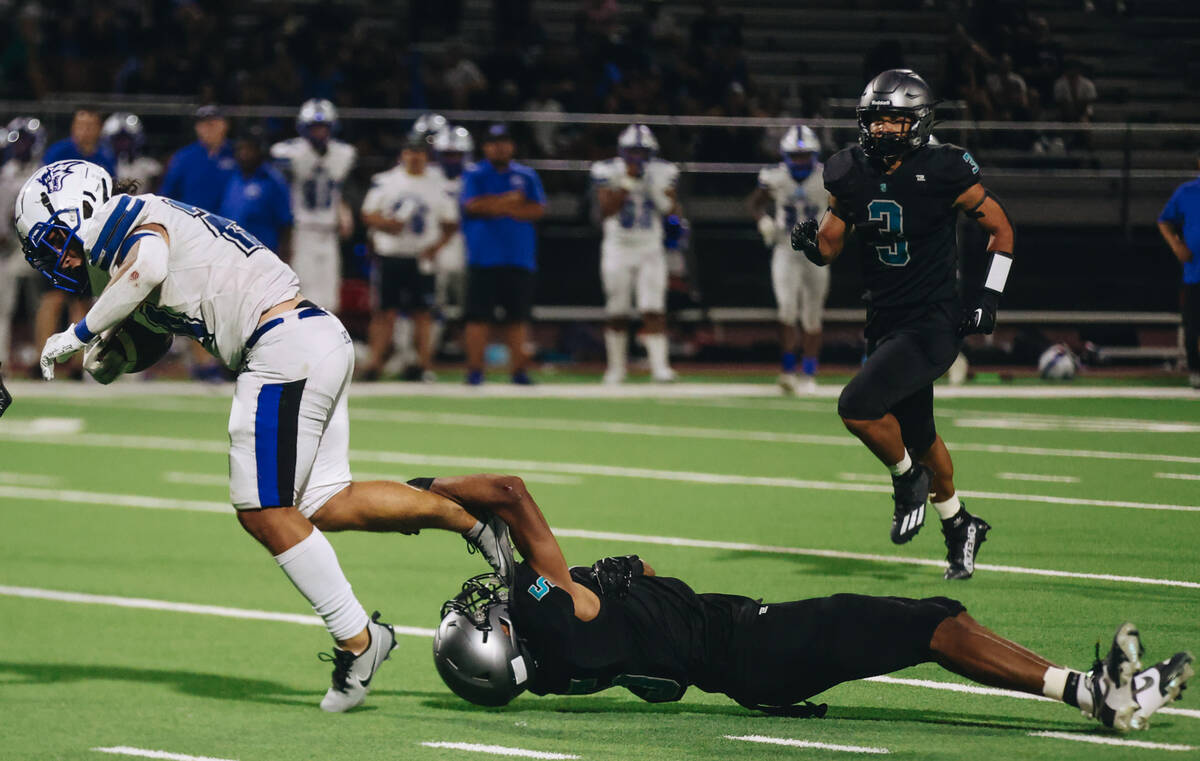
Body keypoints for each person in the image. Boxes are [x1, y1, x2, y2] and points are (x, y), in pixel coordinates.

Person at [15, 159, 517, 713]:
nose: (58, 259)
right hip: (311, 335)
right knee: (324, 502)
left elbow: (149, 266)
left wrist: (79, 330)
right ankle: (469, 519)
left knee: (262, 510)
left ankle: (359, 638)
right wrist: (106, 355)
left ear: (83, 207)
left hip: (280, 346)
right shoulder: (133, 234)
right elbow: (154, 323)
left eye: (56, 240)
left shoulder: (122, 217)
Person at [427, 473, 1192, 731]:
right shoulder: (556, 617)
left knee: (926, 620)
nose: (491, 599)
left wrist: (613, 578)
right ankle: (1095, 695)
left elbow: (615, 589)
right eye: (483, 613)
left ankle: (1090, 691)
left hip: (747, 662)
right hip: (754, 643)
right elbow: (511, 496)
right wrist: (425, 492)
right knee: (933, 622)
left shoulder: (561, 658)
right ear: (497, 641)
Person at [790, 69, 1015, 579]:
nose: (886, 129)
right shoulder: (847, 170)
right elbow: (830, 245)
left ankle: (905, 478)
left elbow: (1001, 230)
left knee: (857, 406)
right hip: (885, 318)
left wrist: (989, 296)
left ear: (918, 121)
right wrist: (810, 242)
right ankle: (961, 525)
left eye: (896, 119)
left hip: (934, 320)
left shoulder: (946, 168)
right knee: (921, 432)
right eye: (878, 119)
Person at [360, 133, 458, 381]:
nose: (415, 157)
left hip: (420, 256)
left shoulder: (438, 184)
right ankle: (374, 364)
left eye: (420, 152)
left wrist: (435, 248)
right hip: (391, 254)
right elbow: (368, 215)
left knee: (423, 313)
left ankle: (423, 365)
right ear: (402, 155)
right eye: (410, 151)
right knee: (385, 312)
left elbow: (450, 222)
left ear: (427, 156)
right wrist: (388, 224)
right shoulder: (387, 181)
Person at [591, 125, 681, 384]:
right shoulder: (607, 170)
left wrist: (657, 194)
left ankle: (659, 367)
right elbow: (606, 211)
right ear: (622, 152)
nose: (637, 157)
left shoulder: (664, 171)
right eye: (633, 151)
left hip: (650, 247)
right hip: (617, 247)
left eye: (642, 152)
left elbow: (672, 212)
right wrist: (629, 182)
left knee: (653, 307)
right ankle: (617, 367)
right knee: (617, 309)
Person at [460, 124, 546, 386]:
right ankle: (475, 371)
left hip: (518, 257)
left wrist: (494, 205)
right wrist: (509, 202)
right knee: (477, 317)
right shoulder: (474, 174)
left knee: (517, 317)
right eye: (494, 142)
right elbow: (473, 206)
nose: (500, 147)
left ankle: (518, 371)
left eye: (505, 142)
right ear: (485, 147)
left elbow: (537, 210)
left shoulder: (527, 175)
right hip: (483, 257)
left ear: (512, 145)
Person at [747, 124, 830, 395]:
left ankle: (809, 372)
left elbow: (843, 207)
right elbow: (754, 203)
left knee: (812, 315)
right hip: (785, 247)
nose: (800, 161)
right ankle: (787, 370)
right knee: (786, 310)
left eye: (804, 155)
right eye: (795, 155)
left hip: (816, 250)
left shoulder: (825, 177)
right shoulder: (775, 176)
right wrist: (763, 221)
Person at [159, 105, 238, 381]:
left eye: (213, 123)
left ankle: (226, 361)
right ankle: (204, 364)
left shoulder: (237, 156)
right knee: (197, 302)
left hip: (228, 240)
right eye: (203, 124)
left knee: (228, 302)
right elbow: (166, 199)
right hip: (191, 240)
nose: (208, 129)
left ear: (224, 125)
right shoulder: (185, 158)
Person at [270, 99, 356, 313]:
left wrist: (343, 212)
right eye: (314, 127)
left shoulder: (344, 154)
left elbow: (336, 191)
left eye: (323, 127)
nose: (319, 132)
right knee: (302, 290)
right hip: (303, 229)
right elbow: (280, 193)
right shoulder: (289, 153)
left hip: (329, 231)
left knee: (330, 294)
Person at [0, 117, 47, 367]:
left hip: (39, 247)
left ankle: (43, 360)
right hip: (8, 249)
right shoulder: (6, 174)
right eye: (18, 142)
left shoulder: (43, 173)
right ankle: (2, 363)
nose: (21, 147)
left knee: (40, 305)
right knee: (4, 307)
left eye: (26, 142)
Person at [1157, 150, 1200, 389]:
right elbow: (1164, 221)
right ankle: (1196, 370)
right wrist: (1176, 245)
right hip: (1195, 272)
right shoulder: (1187, 192)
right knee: (1193, 325)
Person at [219, 128, 293, 257]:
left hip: (262, 254)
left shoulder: (273, 181)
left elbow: (285, 222)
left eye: (249, 149)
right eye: (240, 149)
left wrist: (284, 255)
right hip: (231, 252)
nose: (244, 154)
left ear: (260, 150)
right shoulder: (232, 177)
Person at [431, 126, 474, 340]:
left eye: (456, 154)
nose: (452, 160)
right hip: (436, 243)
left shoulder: (476, 177)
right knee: (433, 302)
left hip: (470, 244)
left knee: (471, 304)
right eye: (447, 154)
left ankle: (469, 354)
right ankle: (425, 354)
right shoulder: (428, 177)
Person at [43, 107, 116, 176]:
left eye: (90, 126)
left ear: (100, 128)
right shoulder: (57, 151)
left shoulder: (107, 154)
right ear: (73, 127)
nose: (85, 130)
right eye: (81, 126)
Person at [101, 112, 163, 191]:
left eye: (126, 140)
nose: (122, 145)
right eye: (118, 140)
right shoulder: (102, 166)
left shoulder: (148, 166)